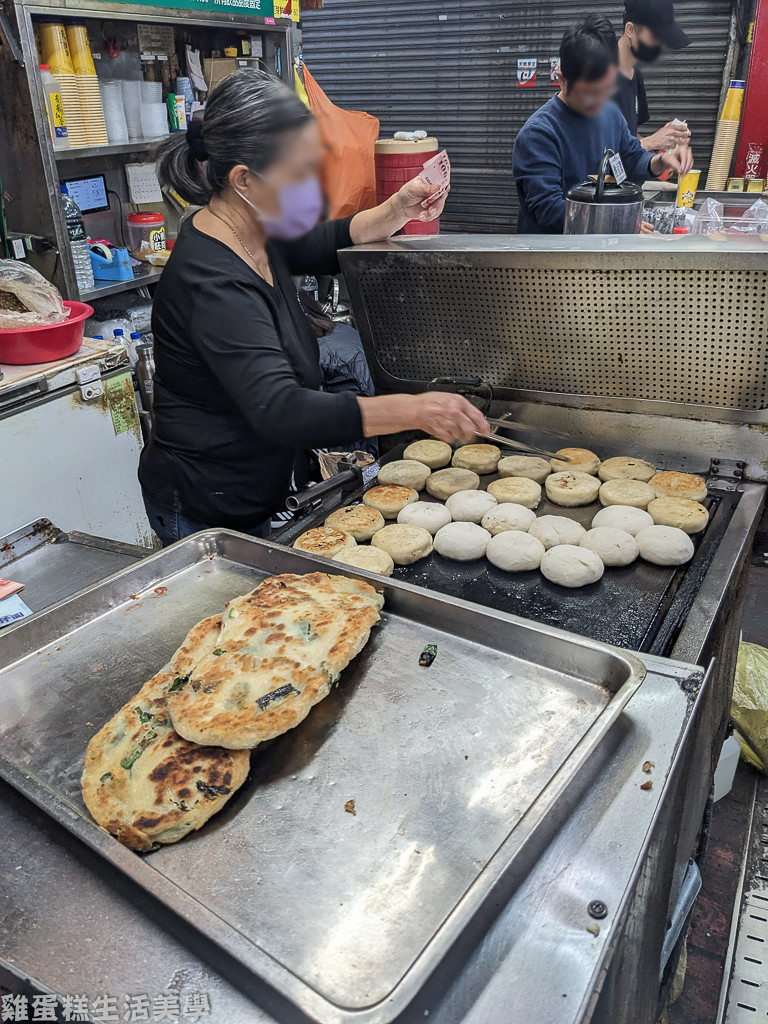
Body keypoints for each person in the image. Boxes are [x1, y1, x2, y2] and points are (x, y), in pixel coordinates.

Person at [139, 70, 487, 546]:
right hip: (205, 502)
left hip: (256, 484)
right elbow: (280, 408)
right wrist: (413, 409)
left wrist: (398, 209)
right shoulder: (212, 282)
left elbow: (324, 241)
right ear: (243, 178)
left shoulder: (257, 225)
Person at [512, 14, 693, 233]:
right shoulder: (540, 134)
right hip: (551, 261)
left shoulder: (610, 115)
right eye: (590, 94)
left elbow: (631, 158)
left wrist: (662, 160)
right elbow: (551, 213)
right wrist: (620, 224)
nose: (599, 103)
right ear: (561, 79)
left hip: (596, 255)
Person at [616, 0, 692, 150]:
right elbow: (594, 146)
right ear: (630, 29)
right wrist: (651, 141)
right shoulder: (597, 74)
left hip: (624, 173)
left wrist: (662, 145)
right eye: (655, 37)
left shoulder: (635, 74)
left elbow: (627, 137)